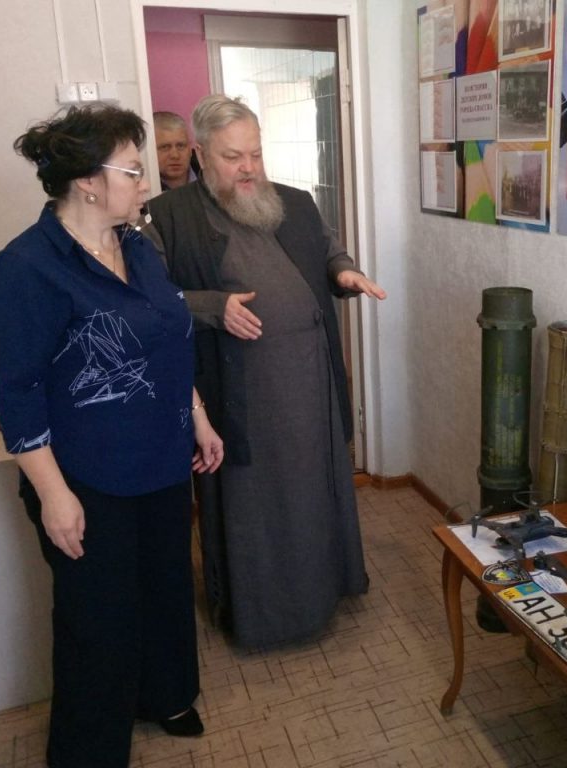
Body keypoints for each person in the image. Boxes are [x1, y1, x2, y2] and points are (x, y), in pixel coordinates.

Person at [0, 104, 224, 768]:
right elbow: (16, 392)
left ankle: (164, 696)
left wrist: (198, 416)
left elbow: (168, 344)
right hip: (87, 478)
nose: (146, 182)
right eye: (133, 170)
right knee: (97, 619)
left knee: (166, 591)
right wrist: (54, 495)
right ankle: (88, 751)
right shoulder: (26, 267)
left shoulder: (136, 246)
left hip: (163, 463)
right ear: (89, 181)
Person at [145, 94, 387, 649]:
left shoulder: (295, 202)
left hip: (309, 381)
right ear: (201, 154)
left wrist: (344, 273)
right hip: (240, 392)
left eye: (255, 153)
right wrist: (214, 307)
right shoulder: (169, 217)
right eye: (233, 157)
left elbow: (328, 251)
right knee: (257, 503)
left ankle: (326, 590)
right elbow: (149, 303)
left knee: (315, 489)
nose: (249, 168)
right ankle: (267, 616)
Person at [154, 111, 198, 189]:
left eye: (181, 146)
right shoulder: (142, 188)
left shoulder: (210, 176)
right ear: (151, 151)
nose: (175, 155)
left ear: (190, 149)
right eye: (165, 147)